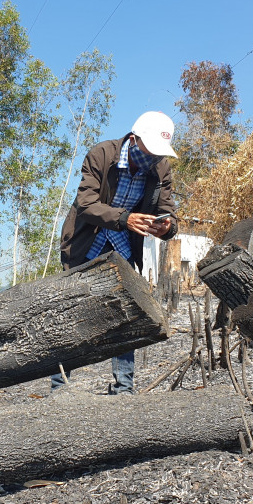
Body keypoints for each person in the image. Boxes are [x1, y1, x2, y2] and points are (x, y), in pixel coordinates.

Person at [54, 110, 179, 394]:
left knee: (126, 316)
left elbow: (169, 213)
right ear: (134, 140)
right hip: (86, 243)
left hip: (123, 247)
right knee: (70, 314)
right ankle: (60, 389)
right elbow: (86, 204)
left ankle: (124, 389)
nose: (155, 159)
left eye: (160, 154)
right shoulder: (101, 155)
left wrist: (167, 228)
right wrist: (125, 219)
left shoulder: (161, 170)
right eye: (151, 152)